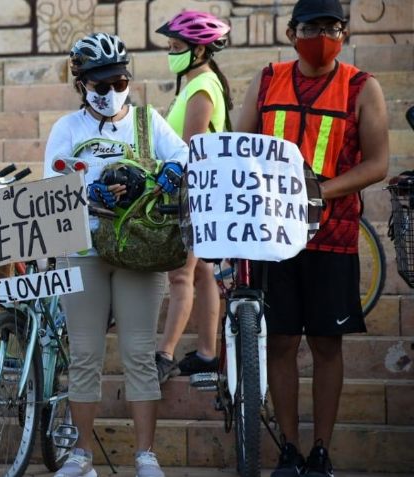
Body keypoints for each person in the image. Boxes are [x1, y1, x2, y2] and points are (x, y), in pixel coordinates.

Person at [234, 1, 389, 476]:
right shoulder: (266, 79)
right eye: (312, 26)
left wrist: (317, 191)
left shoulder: (363, 87)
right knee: (279, 342)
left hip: (333, 238)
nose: (322, 35)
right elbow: (239, 146)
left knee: (326, 344)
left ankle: (320, 451)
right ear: (290, 30)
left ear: (344, 33)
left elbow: (377, 163)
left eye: (332, 27)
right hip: (273, 238)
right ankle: (289, 449)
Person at [43, 32, 188, 477]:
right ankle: (81, 455)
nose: (111, 93)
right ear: (81, 83)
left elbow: (185, 156)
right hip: (84, 249)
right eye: (100, 85)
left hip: (140, 251)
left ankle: (146, 455)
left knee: (139, 354)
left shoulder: (149, 121)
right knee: (85, 353)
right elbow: (53, 188)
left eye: (120, 82)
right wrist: (90, 191)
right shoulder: (67, 129)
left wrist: (172, 170)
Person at [153, 11, 232, 384]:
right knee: (202, 274)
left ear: (200, 50)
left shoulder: (202, 88)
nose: (171, 53)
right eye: (170, 46)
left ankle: (164, 354)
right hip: (196, 191)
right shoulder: (196, 83)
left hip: (194, 193)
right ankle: (206, 352)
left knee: (181, 276)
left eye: (177, 47)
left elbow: (188, 149)